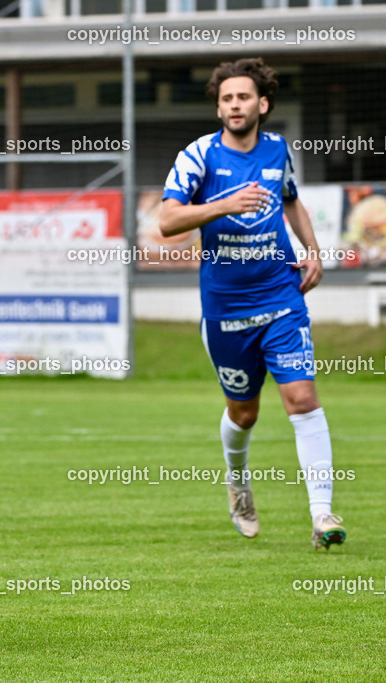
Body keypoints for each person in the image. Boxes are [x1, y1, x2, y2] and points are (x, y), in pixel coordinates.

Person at [159, 58, 345, 550]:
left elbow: (290, 199)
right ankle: (238, 482)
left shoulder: (278, 149)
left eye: (242, 97)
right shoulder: (198, 155)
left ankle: (323, 514)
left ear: (262, 104)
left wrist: (314, 251)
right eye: (226, 99)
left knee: (302, 400)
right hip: (226, 309)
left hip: (282, 296)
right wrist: (224, 204)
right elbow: (167, 221)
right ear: (219, 107)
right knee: (244, 413)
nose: (233, 105)